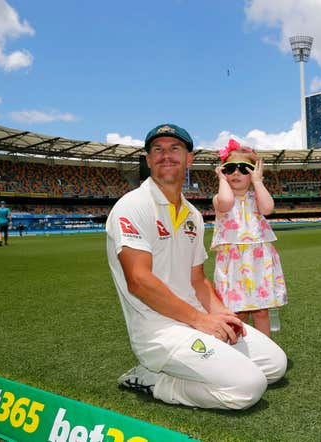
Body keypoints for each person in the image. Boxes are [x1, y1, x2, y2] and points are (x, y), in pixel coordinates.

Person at [106, 123, 287, 410]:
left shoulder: (191, 214)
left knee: (276, 366)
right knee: (247, 388)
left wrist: (222, 313)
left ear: (189, 159)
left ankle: (211, 363)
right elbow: (138, 280)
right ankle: (152, 379)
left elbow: (198, 280)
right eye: (158, 149)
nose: (166, 155)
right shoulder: (133, 206)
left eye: (175, 148)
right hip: (160, 332)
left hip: (197, 320)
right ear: (149, 159)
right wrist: (201, 320)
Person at [211, 139, 287, 337]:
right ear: (223, 171)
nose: (236, 173)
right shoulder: (220, 197)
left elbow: (268, 209)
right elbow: (227, 202)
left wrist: (258, 181)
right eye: (230, 168)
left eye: (244, 169)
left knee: (261, 311)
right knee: (238, 313)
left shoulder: (256, 196)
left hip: (257, 260)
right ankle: (242, 352)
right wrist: (221, 179)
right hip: (234, 261)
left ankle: (267, 351)